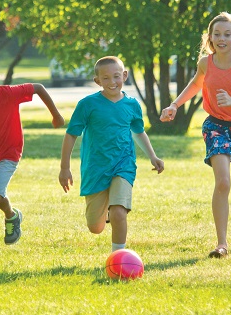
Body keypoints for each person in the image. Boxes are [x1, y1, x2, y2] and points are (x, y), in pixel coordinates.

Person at [160, 12, 231, 258]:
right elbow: (195, 85)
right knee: (222, 182)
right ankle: (221, 244)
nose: (221, 38)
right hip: (216, 127)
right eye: (216, 34)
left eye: (226, 34)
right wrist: (174, 105)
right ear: (210, 38)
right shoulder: (206, 63)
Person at [0, 55, 65, 252]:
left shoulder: (7, 93)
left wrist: (56, 115)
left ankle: (11, 215)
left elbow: (38, 88)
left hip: (9, 152)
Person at [59, 56, 164, 253]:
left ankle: (119, 256)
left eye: (116, 76)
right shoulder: (87, 104)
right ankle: (105, 210)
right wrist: (65, 168)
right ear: (97, 81)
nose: (112, 82)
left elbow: (138, 132)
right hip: (95, 167)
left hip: (123, 164)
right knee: (95, 227)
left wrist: (153, 156)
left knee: (118, 212)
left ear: (124, 75)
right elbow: (71, 134)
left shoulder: (132, 105)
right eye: (105, 78)